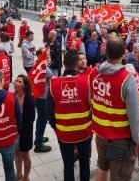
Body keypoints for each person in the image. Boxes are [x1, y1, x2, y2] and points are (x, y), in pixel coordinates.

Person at [90, 37, 139, 181]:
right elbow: (134, 115)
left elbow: (92, 101)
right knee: (120, 176)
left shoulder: (94, 73)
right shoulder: (127, 79)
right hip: (121, 139)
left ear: (106, 53)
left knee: (102, 167)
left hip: (100, 134)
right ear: (125, 53)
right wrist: (137, 139)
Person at [47, 49, 92, 181]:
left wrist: (56, 127)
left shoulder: (53, 84)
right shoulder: (86, 82)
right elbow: (93, 106)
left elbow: (49, 111)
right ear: (77, 64)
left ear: (63, 63)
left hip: (64, 133)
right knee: (84, 163)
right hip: (84, 132)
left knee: (68, 166)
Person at [14, 74, 35, 181]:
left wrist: (20, 131)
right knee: (16, 154)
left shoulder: (29, 99)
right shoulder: (13, 96)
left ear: (25, 85)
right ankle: (18, 175)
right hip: (14, 132)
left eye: (19, 82)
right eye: (16, 81)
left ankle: (26, 177)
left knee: (25, 155)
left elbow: (31, 119)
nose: (16, 83)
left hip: (25, 133)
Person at [33, 48, 53, 153]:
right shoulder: (44, 68)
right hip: (43, 98)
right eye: (47, 54)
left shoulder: (38, 65)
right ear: (40, 55)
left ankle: (38, 138)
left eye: (49, 54)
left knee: (40, 119)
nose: (49, 56)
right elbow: (54, 80)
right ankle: (39, 144)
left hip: (38, 97)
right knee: (42, 120)